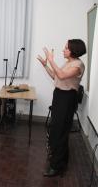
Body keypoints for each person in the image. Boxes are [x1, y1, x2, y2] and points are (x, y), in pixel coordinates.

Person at [37, 39, 86, 177]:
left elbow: (62, 75)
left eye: (66, 48)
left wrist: (52, 60)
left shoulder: (78, 65)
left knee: (60, 131)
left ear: (73, 50)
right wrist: (46, 65)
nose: (63, 50)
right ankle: (61, 161)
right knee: (56, 129)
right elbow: (56, 76)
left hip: (67, 98)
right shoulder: (69, 63)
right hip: (59, 96)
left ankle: (56, 166)